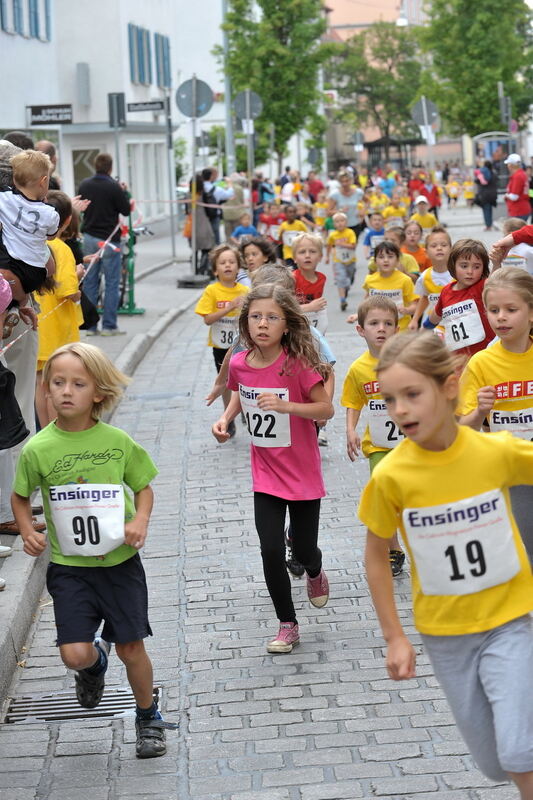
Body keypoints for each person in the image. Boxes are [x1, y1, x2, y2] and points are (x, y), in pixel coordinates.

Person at [360, 331, 533, 797]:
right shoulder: (393, 475)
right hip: (447, 635)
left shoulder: (493, 452)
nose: (400, 410)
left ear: (450, 386)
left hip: (512, 620)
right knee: (494, 761)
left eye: (412, 394)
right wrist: (395, 637)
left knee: (521, 750)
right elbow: (376, 557)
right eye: (391, 399)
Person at [11, 342, 177, 758]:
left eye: (78, 384)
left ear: (98, 392)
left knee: (131, 647)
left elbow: (144, 488)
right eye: (58, 382)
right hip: (69, 568)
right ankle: (93, 668)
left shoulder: (116, 441)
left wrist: (139, 521)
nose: (66, 391)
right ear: (47, 390)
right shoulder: (38, 449)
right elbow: (19, 495)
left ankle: (147, 717)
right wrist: (29, 528)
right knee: (74, 654)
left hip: (120, 564)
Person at [212, 284, 333, 653]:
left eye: (271, 317)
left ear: (286, 324)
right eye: (255, 317)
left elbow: (325, 410)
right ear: (246, 323)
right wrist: (225, 419)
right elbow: (239, 391)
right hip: (265, 472)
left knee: (305, 549)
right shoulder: (238, 363)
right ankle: (287, 624)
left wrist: (287, 408)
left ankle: (314, 570)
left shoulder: (297, 364)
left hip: (302, 471)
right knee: (269, 549)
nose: (262, 324)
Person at [458, 266, 533, 566]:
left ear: (531, 313)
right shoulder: (481, 363)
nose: (501, 316)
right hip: (512, 472)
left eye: (511, 309)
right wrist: (480, 411)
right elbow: (463, 429)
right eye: (494, 310)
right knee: (524, 546)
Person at [342, 296, 406, 576]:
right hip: (379, 446)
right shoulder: (358, 369)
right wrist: (350, 429)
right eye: (374, 323)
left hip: (412, 445)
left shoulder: (408, 361)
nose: (381, 329)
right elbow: (353, 401)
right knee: (384, 499)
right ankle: (394, 549)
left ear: (397, 329)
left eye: (388, 323)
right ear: (361, 330)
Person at [34, 191, 83, 427]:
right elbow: (68, 291)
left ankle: (43, 432)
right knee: (56, 384)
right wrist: (78, 280)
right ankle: (57, 430)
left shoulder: (33, 243)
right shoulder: (62, 249)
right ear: (66, 221)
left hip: (36, 325)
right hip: (57, 330)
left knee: (40, 384)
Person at [194, 244, 249, 436]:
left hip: (242, 343)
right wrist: (229, 307)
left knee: (245, 379)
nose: (228, 265)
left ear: (238, 267)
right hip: (220, 345)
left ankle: (243, 408)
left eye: (232, 262)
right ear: (215, 269)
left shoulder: (245, 290)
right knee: (226, 381)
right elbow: (207, 319)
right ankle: (229, 415)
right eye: (223, 262)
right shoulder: (212, 290)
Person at [78, 153, 131, 335]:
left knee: (90, 282)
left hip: (90, 238)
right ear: (110, 167)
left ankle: (91, 326)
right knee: (111, 283)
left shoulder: (85, 184)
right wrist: (123, 191)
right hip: (109, 240)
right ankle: (109, 326)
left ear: (95, 165)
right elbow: (125, 210)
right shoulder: (113, 186)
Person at [0, 149, 59, 306]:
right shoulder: (50, 213)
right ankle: (20, 303)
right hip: (36, 271)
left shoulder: (4, 198)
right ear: (43, 181)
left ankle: (14, 306)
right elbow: (52, 236)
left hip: (13, 265)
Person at [424, 239, 494, 360]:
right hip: (459, 358)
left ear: (483, 268)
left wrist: (497, 263)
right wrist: (424, 328)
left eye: (476, 267)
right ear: (453, 265)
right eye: (464, 266)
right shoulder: (446, 291)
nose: (470, 271)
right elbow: (436, 314)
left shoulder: (482, 287)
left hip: (486, 355)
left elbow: (496, 282)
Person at [362, 241, 418, 331]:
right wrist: (358, 315)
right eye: (381, 257)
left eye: (390, 257)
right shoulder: (370, 280)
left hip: (401, 328)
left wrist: (407, 310)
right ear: (375, 261)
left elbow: (415, 304)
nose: (386, 260)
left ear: (397, 260)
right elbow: (367, 300)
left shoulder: (405, 280)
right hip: (378, 329)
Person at [408, 227, 453, 329]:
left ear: (451, 250)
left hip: (457, 323)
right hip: (436, 326)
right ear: (426, 253)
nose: (439, 248)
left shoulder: (458, 274)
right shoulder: (424, 277)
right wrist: (415, 319)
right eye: (434, 245)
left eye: (444, 245)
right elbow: (424, 298)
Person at [292, 233, 328, 335]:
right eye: (302, 252)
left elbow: (315, 308)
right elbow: (284, 308)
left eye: (312, 251)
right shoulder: (292, 279)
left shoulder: (321, 278)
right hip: (293, 329)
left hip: (312, 327)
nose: (307, 255)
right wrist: (310, 307)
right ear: (294, 257)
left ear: (320, 256)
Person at [326, 212, 356, 312]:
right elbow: (329, 245)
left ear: (346, 222)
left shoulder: (350, 232)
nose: (340, 223)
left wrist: (342, 244)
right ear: (334, 224)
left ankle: (347, 286)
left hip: (350, 260)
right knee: (340, 279)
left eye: (342, 221)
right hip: (338, 260)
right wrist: (327, 256)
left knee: (348, 278)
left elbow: (353, 246)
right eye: (337, 222)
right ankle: (342, 300)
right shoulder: (333, 235)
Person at [201, 167, 233, 245]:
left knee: (203, 235)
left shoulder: (198, 187)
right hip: (213, 215)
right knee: (215, 235)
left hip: (200, 216)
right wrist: (229, 184)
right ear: (212, 176)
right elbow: (229, 194)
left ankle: (205, 252)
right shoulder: (216, 189)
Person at [327, 171, 363, 237]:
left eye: (347, 181)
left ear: (351, 181)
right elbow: (328, 212)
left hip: (355, 224)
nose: (344, 184)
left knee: (353, 246)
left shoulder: (358, 192)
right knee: (341, 246)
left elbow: (367, 201)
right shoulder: (335, 194)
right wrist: (340, 211)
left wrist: (362, 211)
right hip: (340, 227)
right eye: (342, 181)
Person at [504, 154, 531, 221]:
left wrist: (506, 195)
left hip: (518, 210)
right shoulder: (522, 174)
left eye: (508, 164)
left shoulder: (517, 176)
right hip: (523, 208)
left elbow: (514, 197)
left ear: (511, 165)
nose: (507, 166)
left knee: (516, 230)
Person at [474, 160, 498, 231]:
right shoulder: (493, 173)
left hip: (484, 195)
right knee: (489, 210)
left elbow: (476, 181)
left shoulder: (483, 174)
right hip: (492, 195)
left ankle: (488, 225)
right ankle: (489, 224)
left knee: (486, 210)